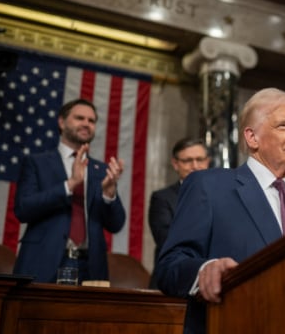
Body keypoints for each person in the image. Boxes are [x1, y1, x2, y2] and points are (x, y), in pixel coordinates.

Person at [157, 87, 285, 334]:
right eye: (284, 126)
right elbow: (169, 266)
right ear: (252, 138)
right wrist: (205, 270)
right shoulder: (210, 186)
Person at [13, 98, 126, 283]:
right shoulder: (37, 163)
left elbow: (116, 224)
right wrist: (70, 184)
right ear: (62, 122)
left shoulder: (101, 170)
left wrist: (109, 194)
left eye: (91, 121)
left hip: (89, 268)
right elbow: (23, 209)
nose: (86, 124)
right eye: (79, 118)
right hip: (43, 262)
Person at [147, 137, 210, 288]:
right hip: (172, 283)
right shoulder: (162, 199)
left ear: (208, 162)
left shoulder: (220, 197)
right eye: (188, 160)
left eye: (200, 159)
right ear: (175, 164)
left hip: (211, 282)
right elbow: (167, 241)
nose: (195, 166)